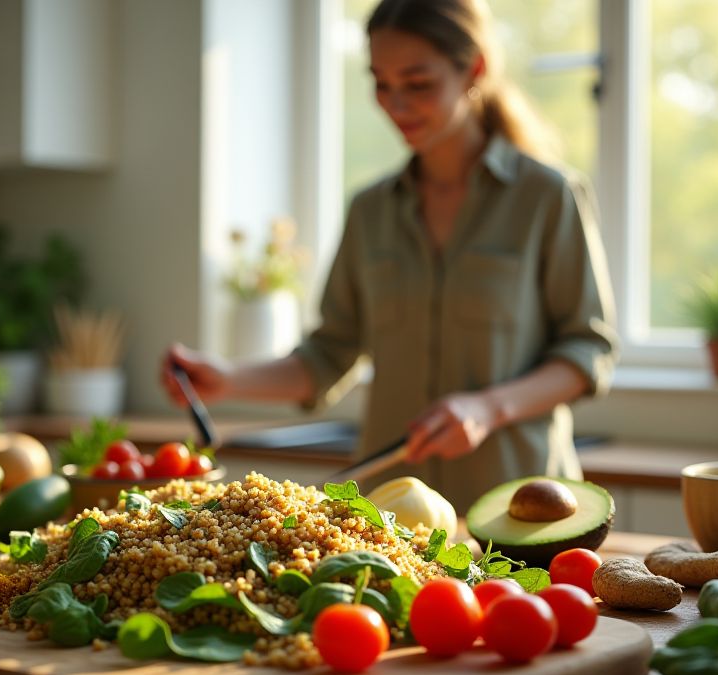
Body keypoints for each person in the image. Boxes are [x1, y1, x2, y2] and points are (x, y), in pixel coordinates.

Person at [163, 0, 618, 515]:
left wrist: (487, 408)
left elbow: (589, 350)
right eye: (381, 83)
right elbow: (328, 354)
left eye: (418, 84)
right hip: (391, 519)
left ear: (474, 70)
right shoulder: (370, 210)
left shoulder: (547, 196)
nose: (396, 105)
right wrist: (227, 379)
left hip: (522, 510)